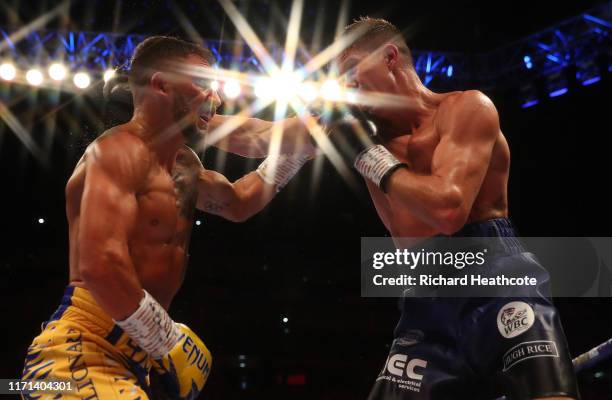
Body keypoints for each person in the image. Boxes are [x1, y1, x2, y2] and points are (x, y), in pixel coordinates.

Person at [21, 35, 314, 400]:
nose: (216, 98)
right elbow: (100, 265)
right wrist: (166, 338)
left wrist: (297, 153)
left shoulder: (185, 166)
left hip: (134, 359)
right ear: (161, 84)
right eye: (203, 84)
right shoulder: (116, 152)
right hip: (81, 350)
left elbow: (240, 202)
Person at [325, 17, 578, 400]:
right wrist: (200, 116)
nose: (345, 87)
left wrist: (371, 159)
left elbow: (449, 209)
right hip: (426, 299)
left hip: (496, 280)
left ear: (389, 56)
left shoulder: (466, 108)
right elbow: (258, 138)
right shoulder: (353, 129)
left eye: (350, 70)